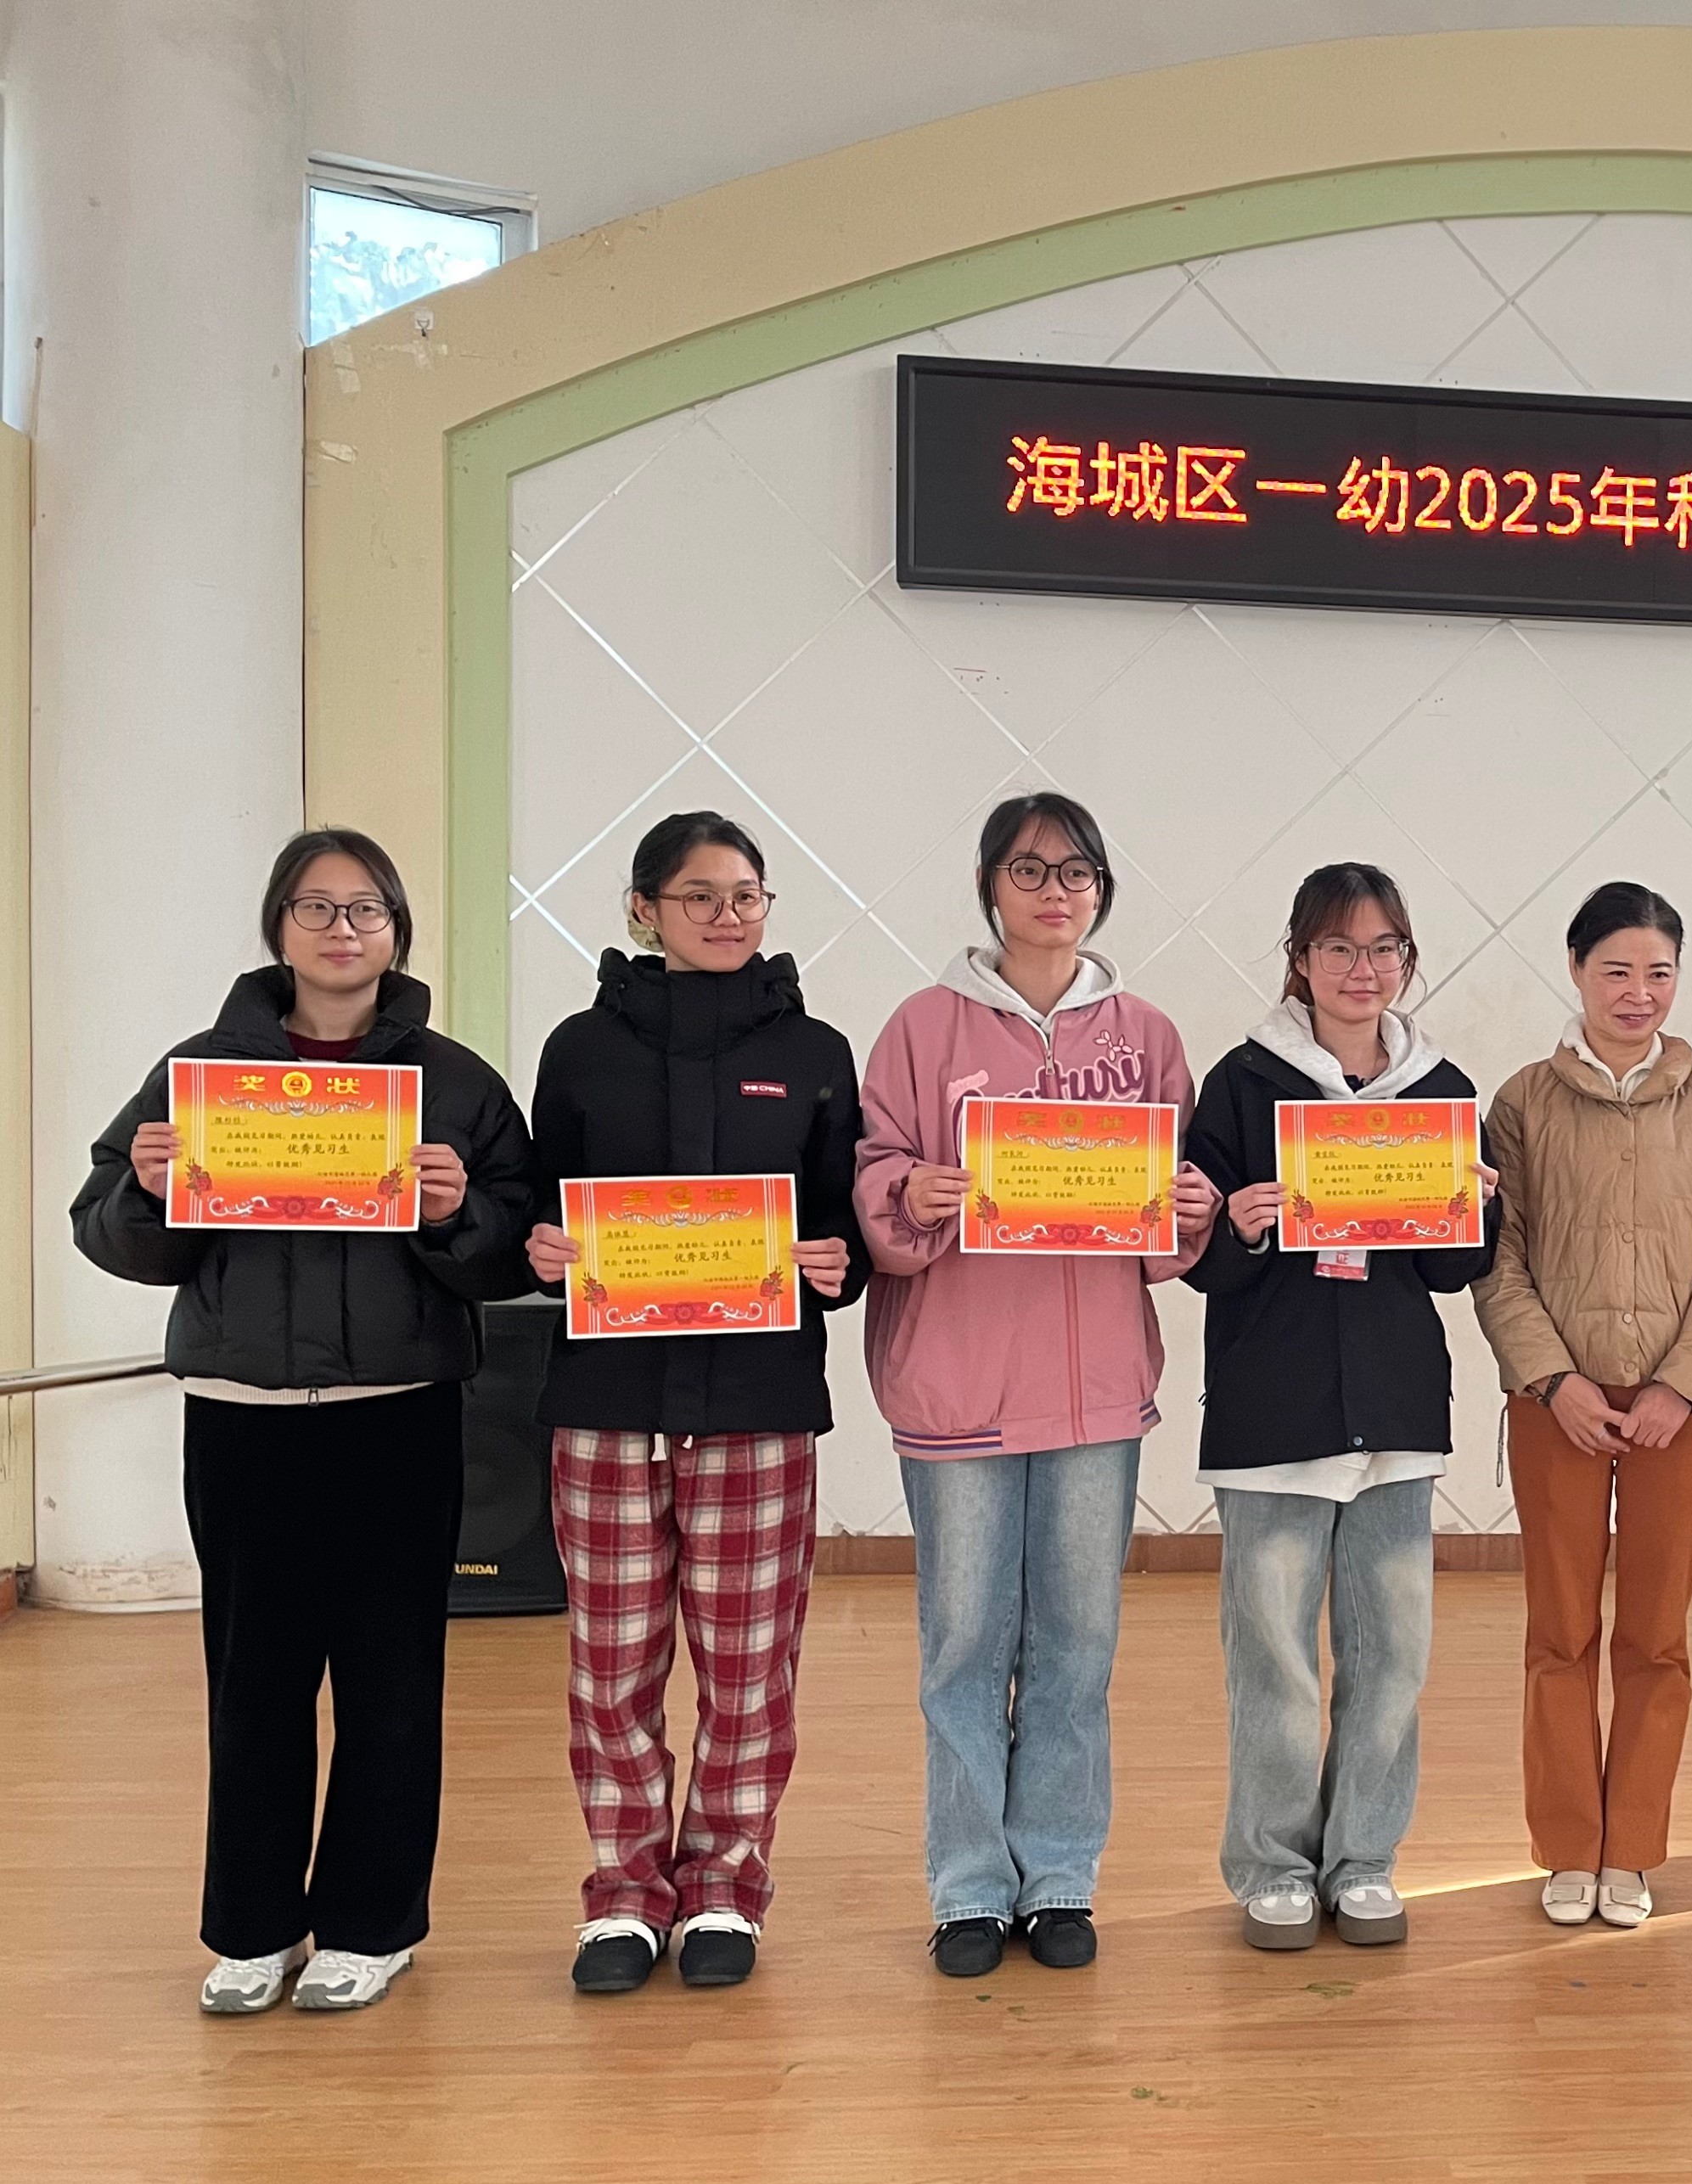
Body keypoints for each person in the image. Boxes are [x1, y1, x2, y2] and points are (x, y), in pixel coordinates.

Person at [73, 829, 531, 2014]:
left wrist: (457, 1211)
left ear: (397, 930)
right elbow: (108, 1228)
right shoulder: (197, 1073)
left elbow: (511, 1253)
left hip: (396, 1415)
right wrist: (146, 1188)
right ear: (277, 924)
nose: (342, 929)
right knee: (253, 1684)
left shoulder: (458, 1082)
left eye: (366, 908)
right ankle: (254, 1928)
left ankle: (371, 1926)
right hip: (243, 1417)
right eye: (316, 907)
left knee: (391, 1683)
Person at [856, 790, 1219, 1979]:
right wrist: (905, 1192)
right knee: (964, 1644)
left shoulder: (1146, 1036)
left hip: (1094, 1391)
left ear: (1101, 890)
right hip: (956, 1386)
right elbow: (873, 1172)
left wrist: (1190, 1209)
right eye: (1028, 868)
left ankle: (1059, 1873)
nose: (1054, 890)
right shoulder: (921, 1027)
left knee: (1076, 1643)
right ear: (988, 886)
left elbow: (1168, 1226)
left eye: (1075, 871)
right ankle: (968, 1885)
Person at [524, 811, 870, 1994]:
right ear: (643, 909)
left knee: (747, 1667)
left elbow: (839, 1216)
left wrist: (836, 1260)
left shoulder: (816, 1049)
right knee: (610, 1665)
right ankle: (624, 1894)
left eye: (747, 896)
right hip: (608, 1401)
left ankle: (725, 1884)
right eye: (699, 896)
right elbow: (541, 1204)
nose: (728, 916)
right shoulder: (579, 1048)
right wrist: (543, 1248)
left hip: (757, 1402)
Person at [1182, 863, 1498, 1952]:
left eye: (1383, 949)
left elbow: (1453, 1270)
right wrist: (1239, 1223)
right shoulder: (1240, 1081)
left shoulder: (1442, 1086)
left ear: (1407, 958)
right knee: (1273, 1660)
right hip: (1274, 1417)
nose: (1362, 970)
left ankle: (1364, 1860)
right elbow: (1199, 1259)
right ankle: (1272, 1865)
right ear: (1300, 959)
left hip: (1397, 1417)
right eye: (1337, 949)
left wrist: (1476, 1205)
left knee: (1391, 1660)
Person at [1475, 883, 1692, 1929]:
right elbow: (1497, 1259)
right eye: (1616, 970)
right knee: (1559, 1633)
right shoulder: (1522, 1102)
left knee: (1656, 1635)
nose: (1638, 992)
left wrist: (1681, 1387)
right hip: (1556, 1404)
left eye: (1658, 972)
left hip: (1676, 1413)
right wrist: (1552, 1380)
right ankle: (1567, 1847)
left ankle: (1631, 1848)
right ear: (1575, 969)